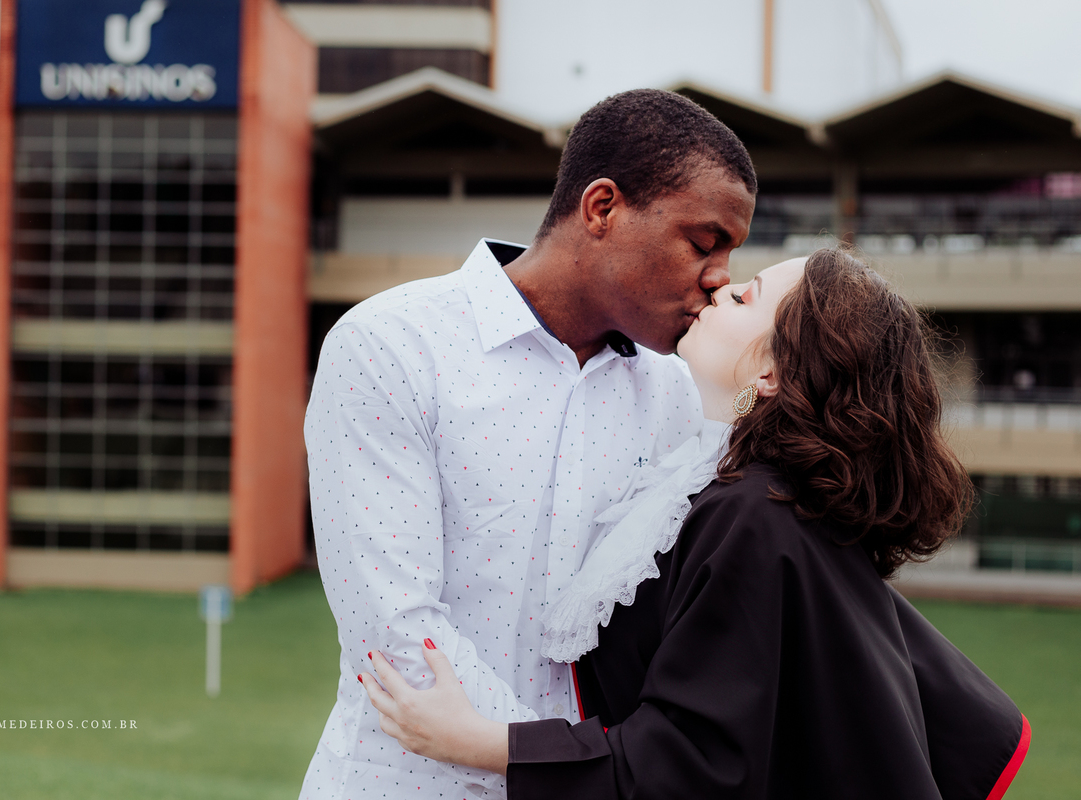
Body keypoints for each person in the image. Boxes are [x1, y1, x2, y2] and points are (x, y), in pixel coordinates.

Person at [360, 250, 1032, 800]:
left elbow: (692, 760)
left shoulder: (752, 514)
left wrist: (475, 742)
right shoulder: (729, 489)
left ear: (771, 372)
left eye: (746, 297)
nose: (721, 285)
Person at [301, 89, 756, 799]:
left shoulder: (676, 396)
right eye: (704, 242)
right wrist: (572, 768)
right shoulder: (390, 346)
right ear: (601, 208)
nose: (721, 275)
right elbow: (395, 632)